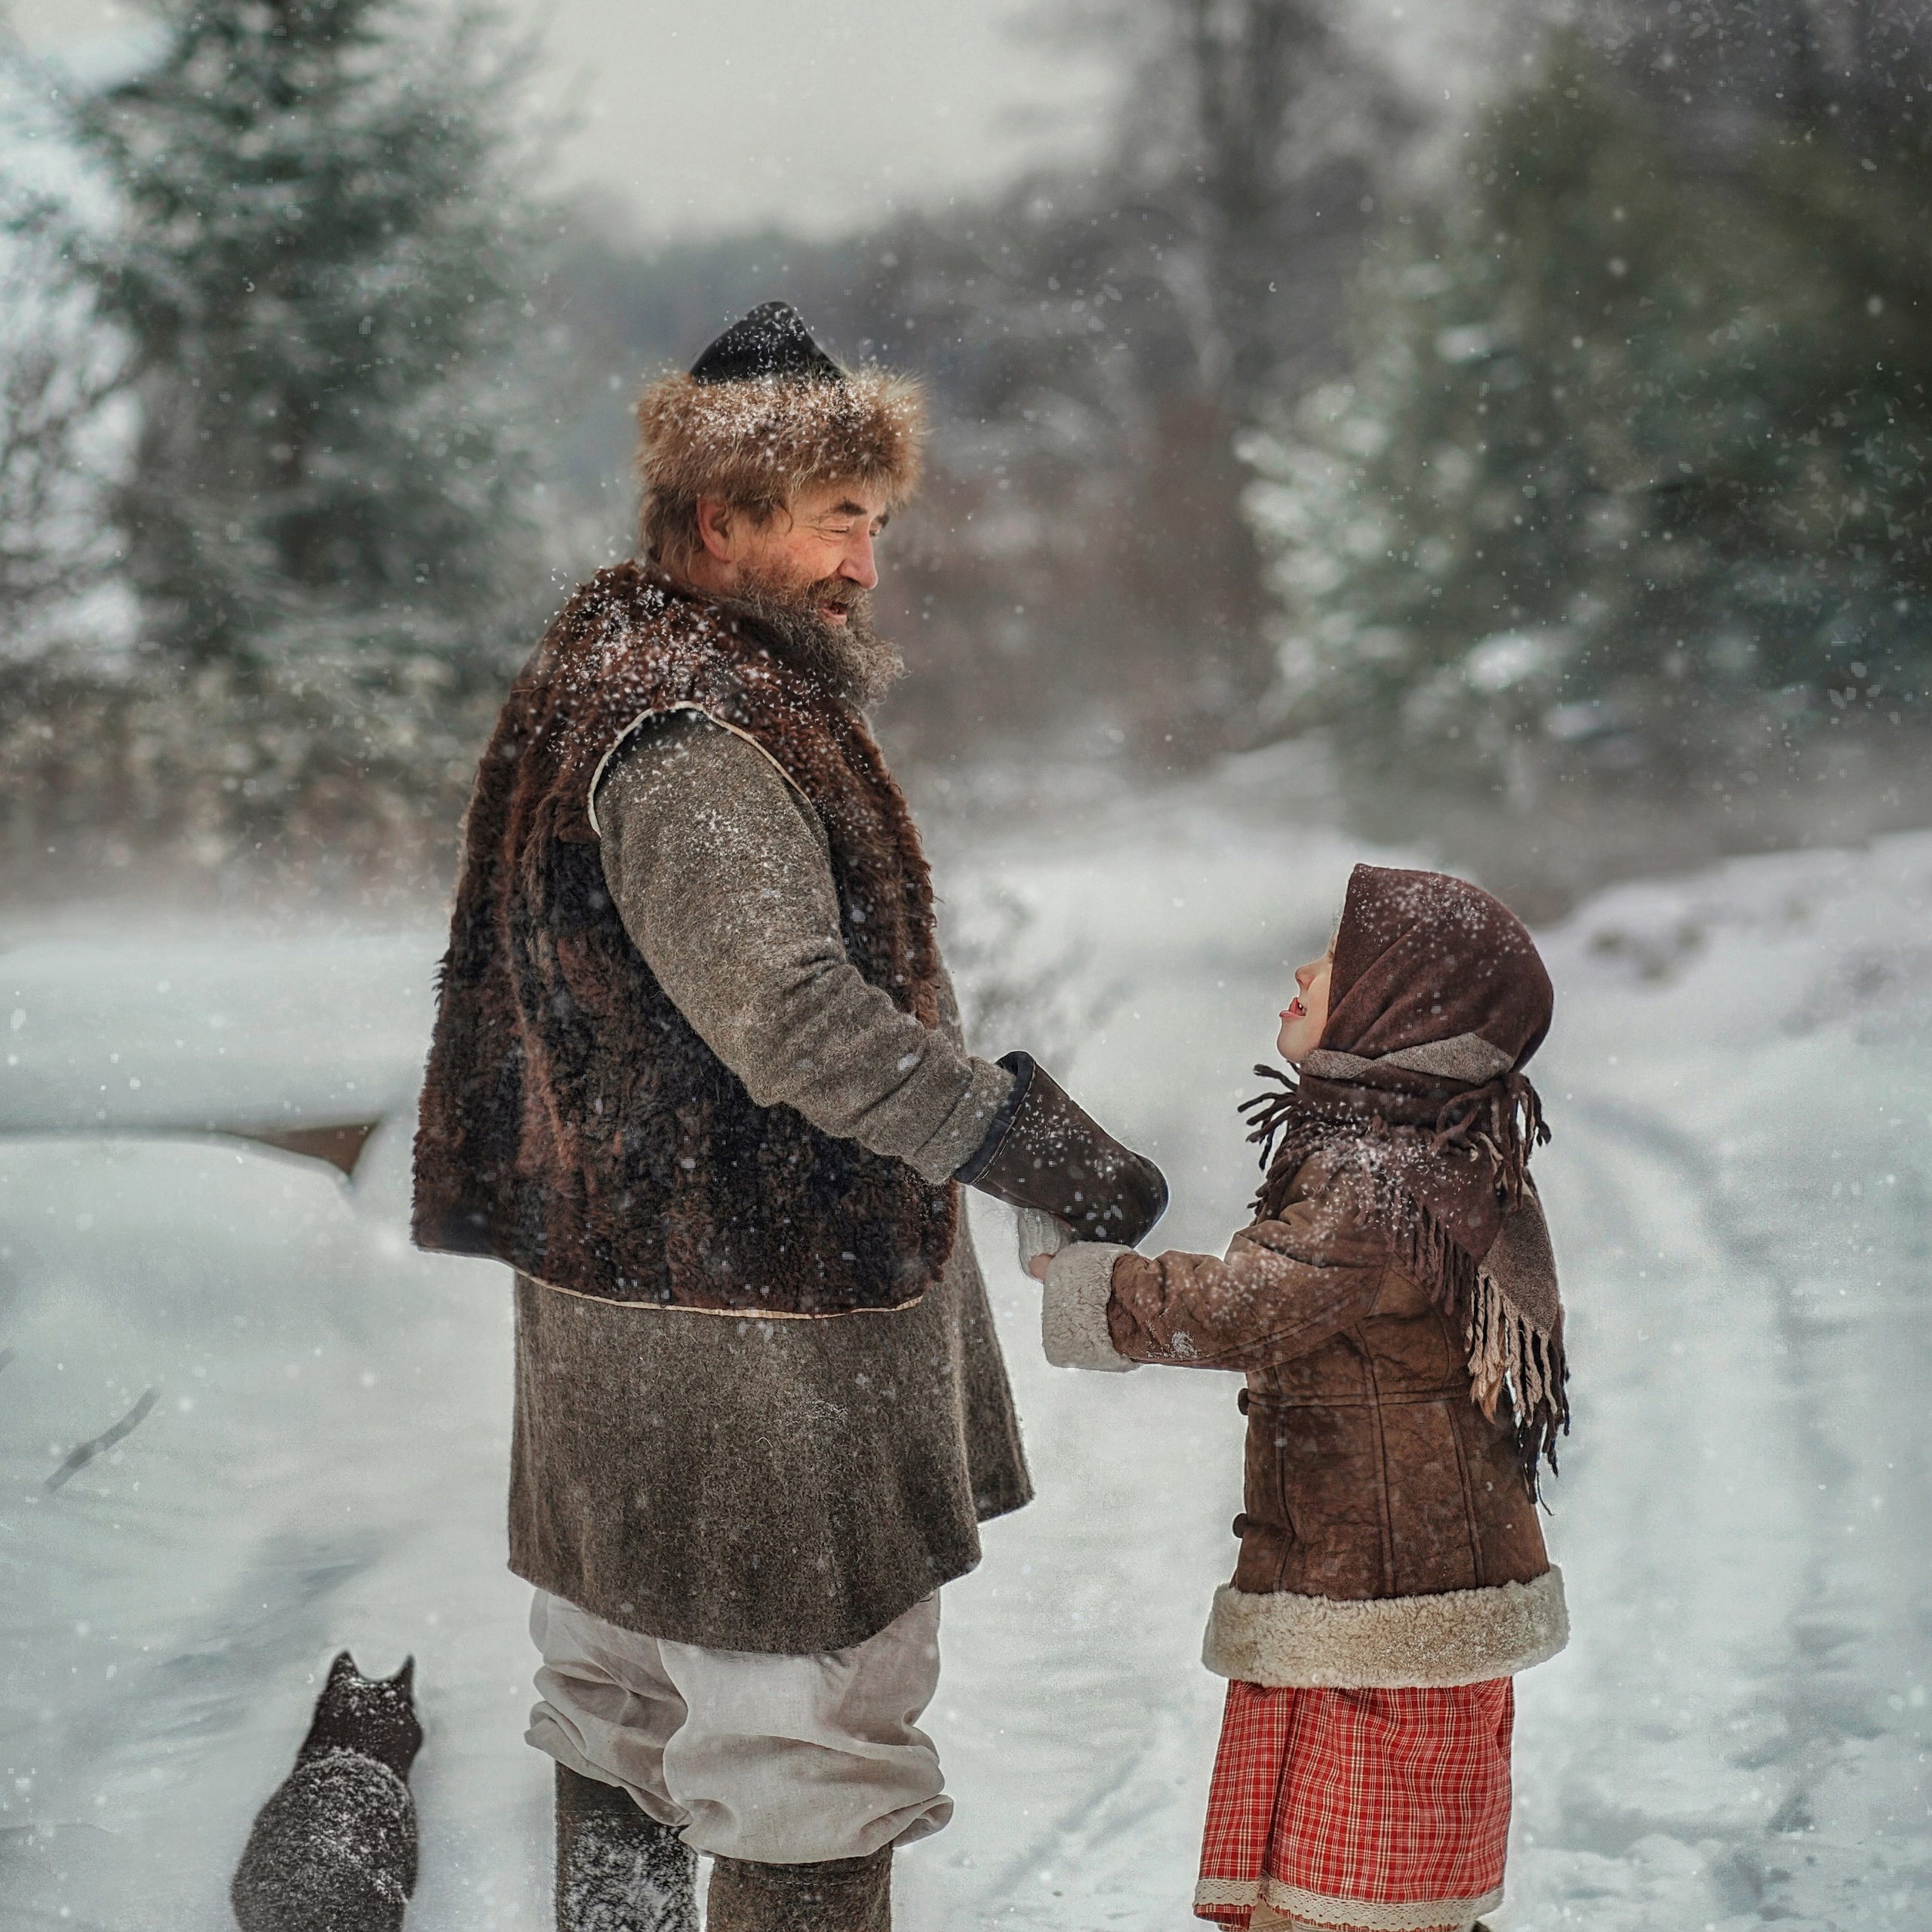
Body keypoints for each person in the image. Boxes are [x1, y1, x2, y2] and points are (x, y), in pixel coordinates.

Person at [411, 302, 1168, 1932]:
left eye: (874, 523)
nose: (865, 565)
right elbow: (790, 1015)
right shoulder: (688, 727)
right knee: (804, 1738)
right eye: (836, 520)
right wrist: (1013, 1136)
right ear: (718, 519)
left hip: (636, 1312)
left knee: (625, 1704)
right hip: (759, 1330)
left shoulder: (641, 669)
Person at [1026, 863, 1571, 1932]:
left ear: (1397, 1005)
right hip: (1379, 1583)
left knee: (1352, 1905)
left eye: (1335, 960)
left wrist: (1092, 1282)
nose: (1304, 972)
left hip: (1383, 1609)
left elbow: (1250, 1307)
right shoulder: (1419, 1147)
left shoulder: (1377, 1175)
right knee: (1359, 1901)